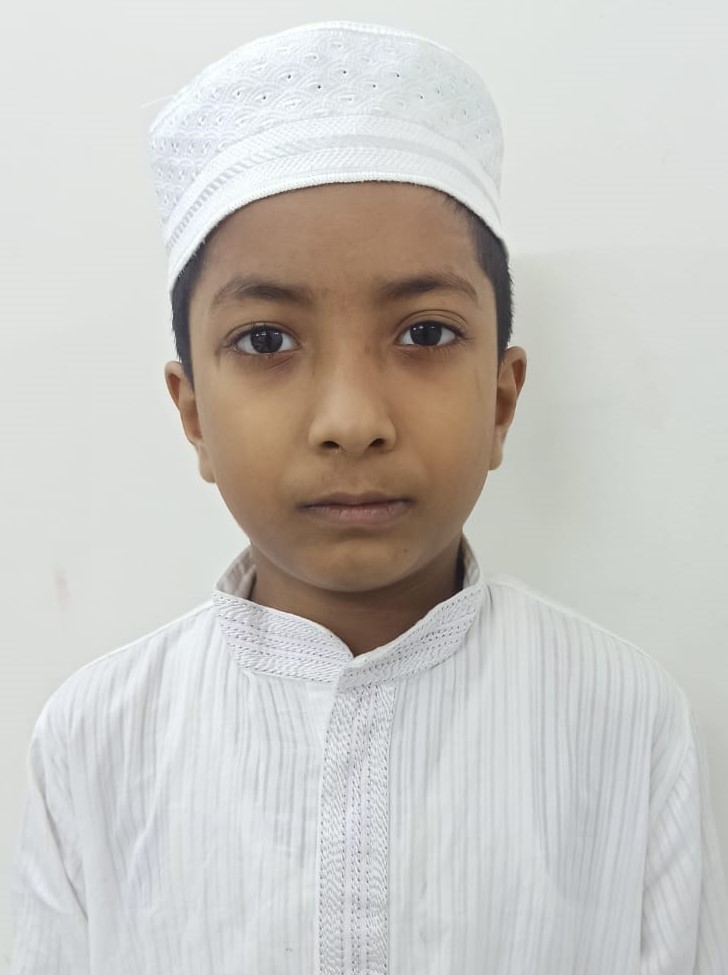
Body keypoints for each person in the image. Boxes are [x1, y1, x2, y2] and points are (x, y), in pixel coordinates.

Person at [9, 19, 728, 974]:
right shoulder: (98, 739)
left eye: (425, 333)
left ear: (503, 399)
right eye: (266, 341)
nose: (352, 420)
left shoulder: (625, 720)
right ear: (193, 415)